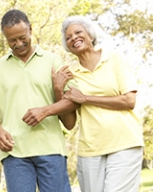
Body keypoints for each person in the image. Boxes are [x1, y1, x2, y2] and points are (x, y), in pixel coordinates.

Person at [0, 9, 79, 192]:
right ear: (5, 38)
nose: (18, 44)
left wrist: (45, 110)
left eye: (22, 37)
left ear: (31, 30)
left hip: (51, 149)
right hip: (14, 152)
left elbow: (73, 99)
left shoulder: (53, 60)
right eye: (12, 40)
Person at [53, 15, 144, 192]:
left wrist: (86, 99)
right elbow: (69, 123)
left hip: (124, 142)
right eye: (68, 37)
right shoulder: (70, 73)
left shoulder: (115, 59)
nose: (74, 38)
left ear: (90, 35)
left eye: (78, 32)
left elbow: (128, 100)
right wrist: (58, 90)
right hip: (90, 149)